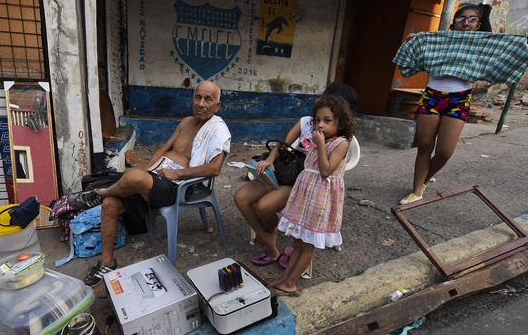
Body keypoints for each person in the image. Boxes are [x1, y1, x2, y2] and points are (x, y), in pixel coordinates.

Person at [69, 81, 231, 286]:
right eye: (198, 97)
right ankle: (107, 263)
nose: (201, 103)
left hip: (177, 186)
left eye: (208, 99)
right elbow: (163, 149)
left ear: (217, 106)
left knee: (132, 178)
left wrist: (178, 173)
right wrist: (147, 170)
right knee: (111, 204)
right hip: (156, 177)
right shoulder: (186, 122)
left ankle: (98, 194)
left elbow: (214, 169)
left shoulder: (218, 130)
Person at [395, 3, 528, 205]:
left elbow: (508, 54)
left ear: (478, 25)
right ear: (453, 23)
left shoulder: (483, 45)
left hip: (459, 99)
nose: (466, 23)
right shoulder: (440, 41)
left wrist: (525, 45)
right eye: (461, 19)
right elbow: (412, 58)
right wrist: (412, 43)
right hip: (432, 96)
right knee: (424, 146)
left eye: (472, 19)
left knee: (444, 152)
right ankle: (416, 191)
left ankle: (423, 180)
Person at [233, 82, 357, 268]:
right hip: (283, 170)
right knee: (241, 197)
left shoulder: (339, 139)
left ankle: (270, 244)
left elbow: (329, 171)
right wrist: (270, 160)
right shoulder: (307, 121)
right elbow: (282, 143)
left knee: (264, 207)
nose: (321, 122)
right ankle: (268, 237)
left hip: (302, 183)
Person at [268, 94, 356, 296]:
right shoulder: (319, 140)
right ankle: (285, 280)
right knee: (298, 241)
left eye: (327, 121)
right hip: (306, 196)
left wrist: (321, 145)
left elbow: (326, 171)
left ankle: (291, 284)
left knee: (308, 245)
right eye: (317, 120)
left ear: (340, 124)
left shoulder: (341, 143)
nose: (320, 125)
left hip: (320, 200)